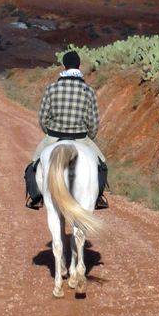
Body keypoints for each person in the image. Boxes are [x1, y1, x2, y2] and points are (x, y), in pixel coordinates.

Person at [23, 51, 109, 210]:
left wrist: (49, 132)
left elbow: (42, 117)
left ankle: (36, 198)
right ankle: (98, 197)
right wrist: (88, 137)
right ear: (79, 66)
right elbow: (94, 122)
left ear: (63, 65)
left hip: (54, 137)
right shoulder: (88, 91)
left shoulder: (51, 88)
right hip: (81, 138)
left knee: (33, 164)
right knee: (102, 164)